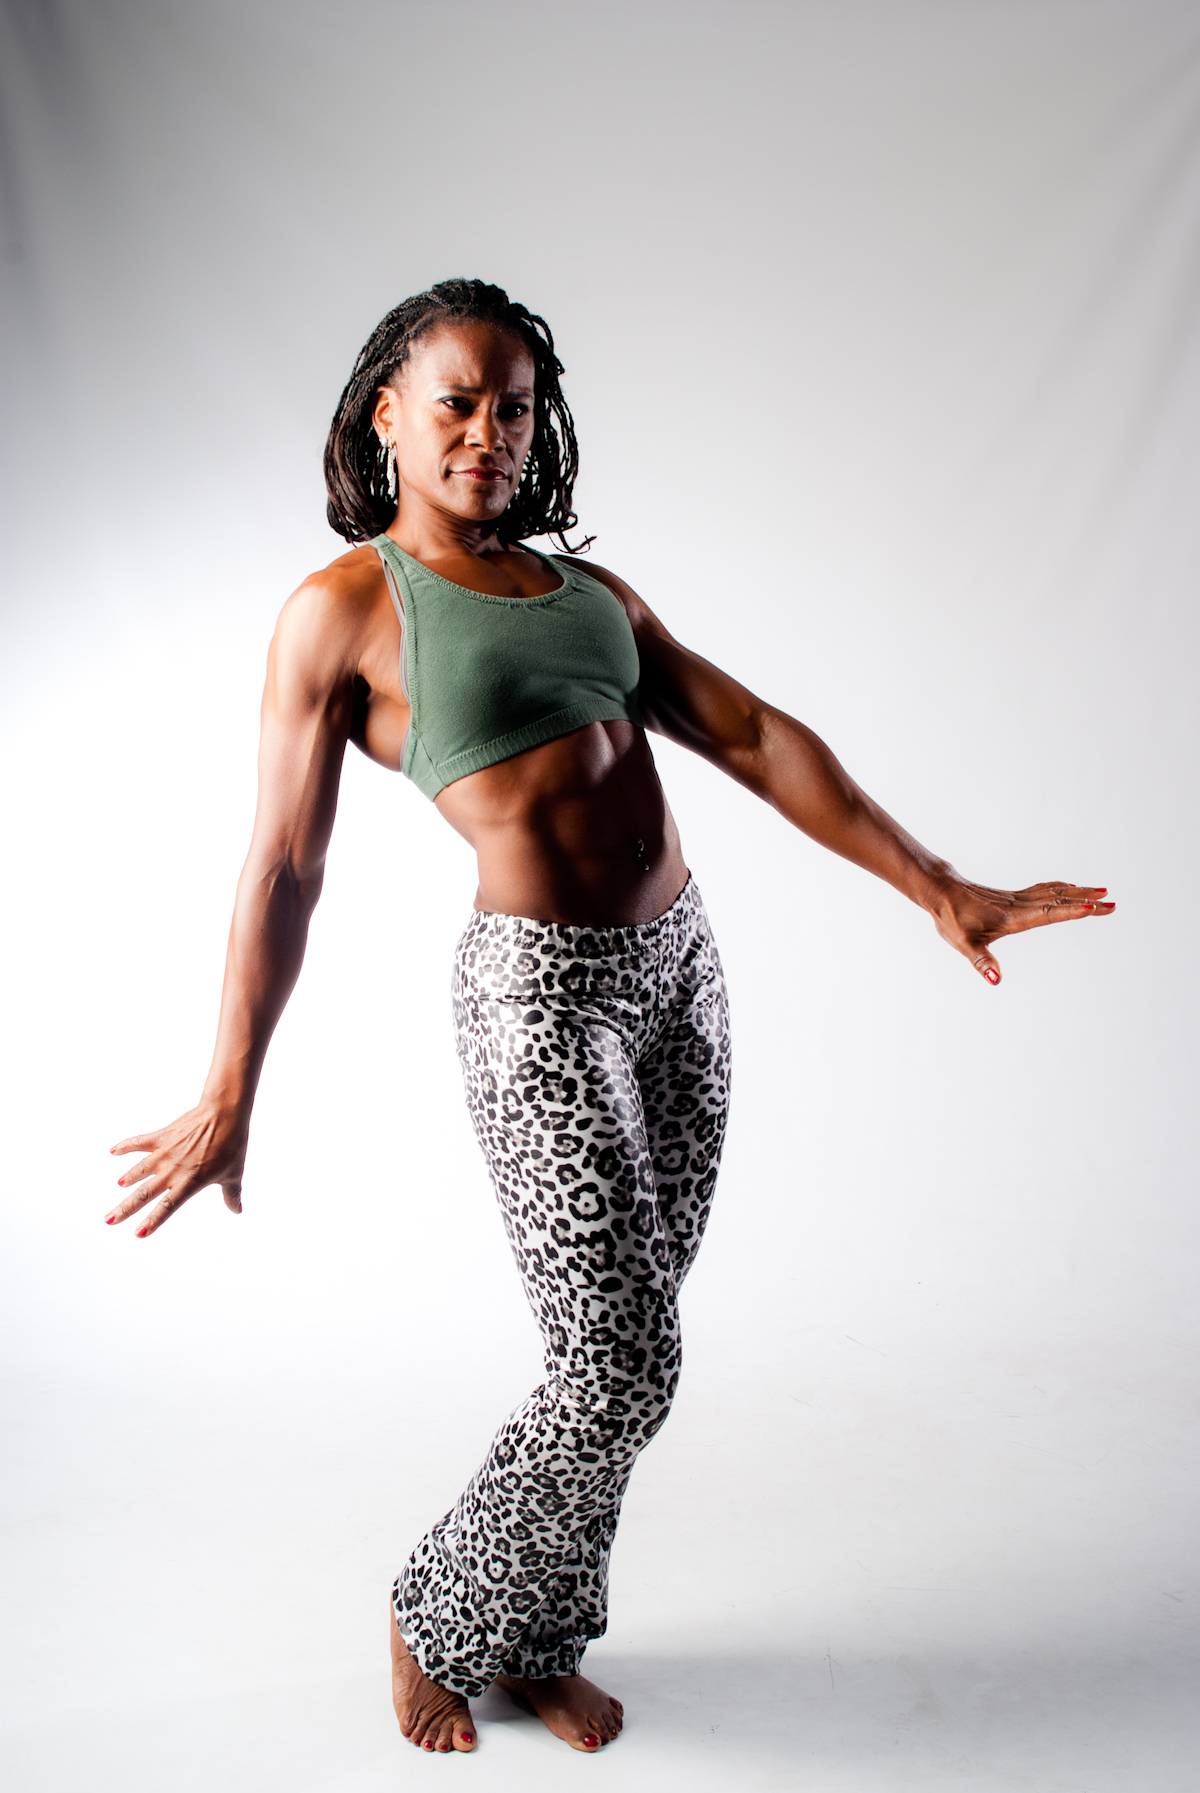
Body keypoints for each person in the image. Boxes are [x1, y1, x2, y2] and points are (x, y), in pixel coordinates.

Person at [105, 278, 1114, 1758]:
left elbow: (753, 734)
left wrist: (937, 885)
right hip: (540, 1003)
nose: (488, 434)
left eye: (515, 408)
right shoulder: (343, 612)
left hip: (680, 980)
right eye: (457, 402)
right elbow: (282, 867)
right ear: (388, 414)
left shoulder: (592, 596)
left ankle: (535, 1634)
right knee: (622, 1362)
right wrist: (228, 1087)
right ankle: (437, 1609)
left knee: (621, 1361)